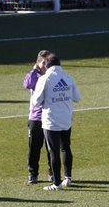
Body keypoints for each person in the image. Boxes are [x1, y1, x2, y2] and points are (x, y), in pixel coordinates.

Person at [30, 52, 81, 191]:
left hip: (51, 121)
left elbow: (36, 101)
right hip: (66, 119)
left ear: (46, 66)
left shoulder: (45, 79)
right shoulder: (68, 78)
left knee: (54, 151)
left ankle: (57, 183)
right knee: (66, 147)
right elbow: (77, 98)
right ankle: (68, 178)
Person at [23, 51, 49, 185]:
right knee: (34, 147)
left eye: (47, 62)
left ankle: (52, 173)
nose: (45, 65)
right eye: (43, 63)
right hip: (36, 117)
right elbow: (27, 84)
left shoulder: (53, 75)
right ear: (38, 63)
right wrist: (34, 70)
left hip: (50, 117)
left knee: (51, 147)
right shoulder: (34, 76)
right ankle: (33, 174)